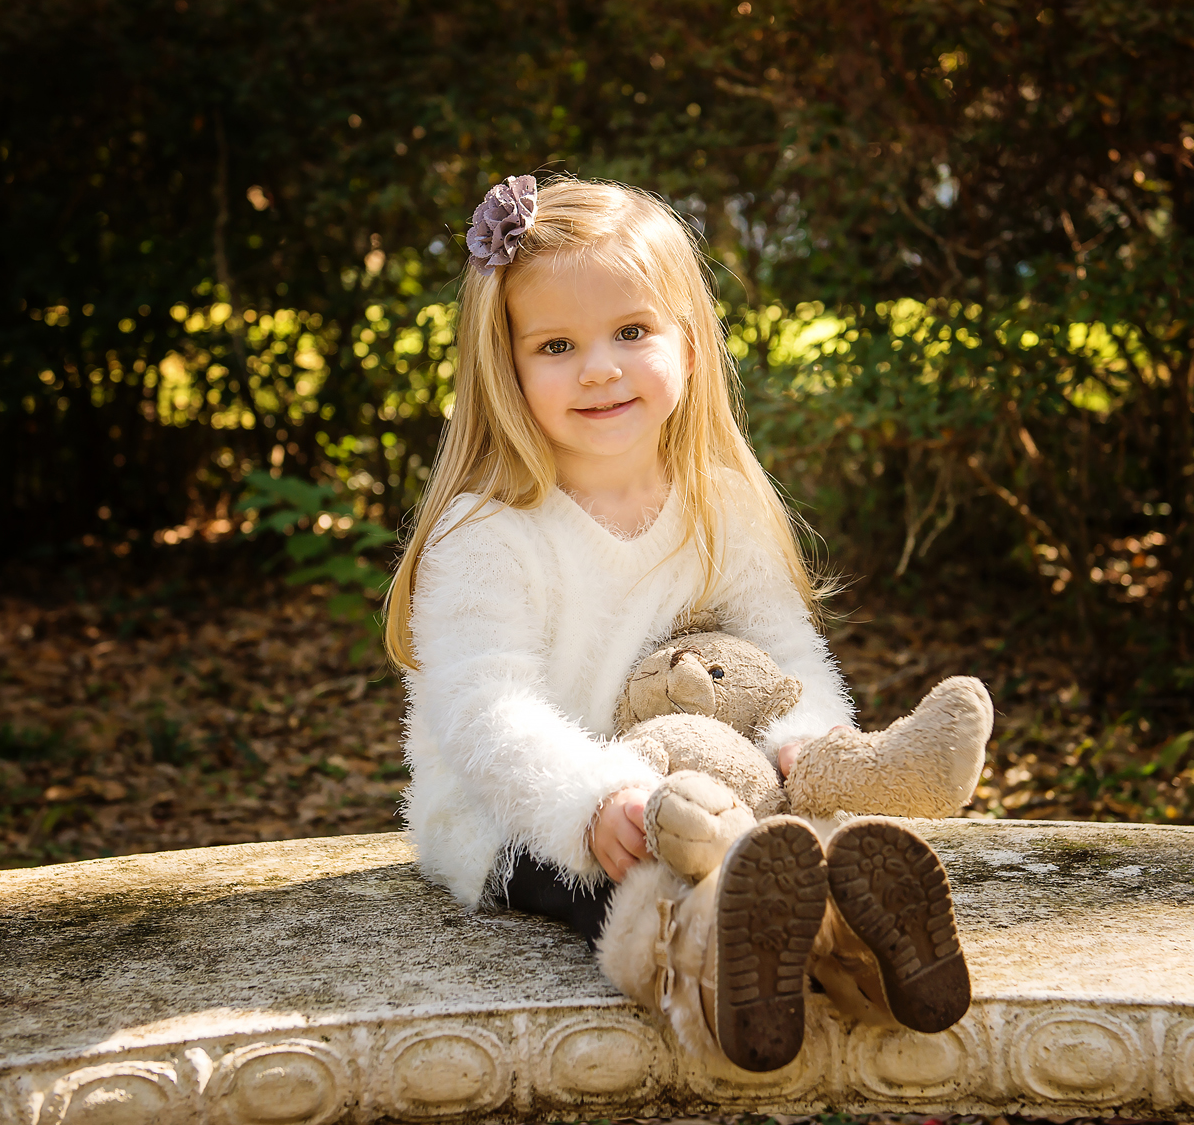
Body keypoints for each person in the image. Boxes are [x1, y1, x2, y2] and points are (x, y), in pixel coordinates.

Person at [386, 175, 977, 1074]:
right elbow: (485, 710)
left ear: (690, 345)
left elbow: (788, 655)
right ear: (503, 366)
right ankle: (712, 959)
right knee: (638, 881)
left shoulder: (717, 502)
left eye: (632, 331)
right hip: (521, 814)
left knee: (779, 837)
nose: (599, 366)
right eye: (556, 344)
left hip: (710, 780)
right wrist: (591, 803)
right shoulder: (490, 529)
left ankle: (869, 936)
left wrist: (800, 738)